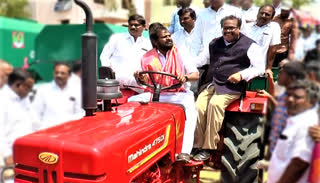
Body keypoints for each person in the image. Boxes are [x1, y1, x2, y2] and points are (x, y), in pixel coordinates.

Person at [193, 15, 265, 161]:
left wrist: (242, 74)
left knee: (215, 104)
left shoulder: (250, 45)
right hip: (211, 83)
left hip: (231, 87)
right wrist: (183, 64)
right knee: (198, 106)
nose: (228, 31)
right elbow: (201, 60)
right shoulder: (214, 43)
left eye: (232, 28)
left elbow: (260, 68)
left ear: (239, 28)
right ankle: (197, 145)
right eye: (225, 28)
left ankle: (209, 148)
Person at [130, 24, 199, 161]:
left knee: (191, 111)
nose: (169, 39)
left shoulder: (181, 53)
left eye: (169, 36)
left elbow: (195, 74)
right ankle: (135, 146)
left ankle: (185, 151)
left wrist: (185, 77)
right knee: (129, 102)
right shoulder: (146, 57)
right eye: (164, 37)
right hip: (156, 94)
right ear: (155, 42)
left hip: (178, 95)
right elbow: (142, 81)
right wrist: (139, 77)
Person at [266, 79, 319, 183]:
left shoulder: (307, 124)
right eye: (288, 95)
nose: (290, 99)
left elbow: (299, 164)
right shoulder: (296, 120)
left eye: (297, 97)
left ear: (312, 101)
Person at [100, 14, 152, 89]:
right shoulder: (117, 38)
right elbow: (104, 55)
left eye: (136, 25)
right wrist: (108, 72)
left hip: (137, 85)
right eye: (130, 25)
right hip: (116, 82)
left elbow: (149, 64)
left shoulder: (148, 44)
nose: (133, 27)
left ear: (144, 27)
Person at [32, 62, 84, 129]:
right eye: (56, 72)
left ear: (69, 75)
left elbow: (79, 113)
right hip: (47, 131)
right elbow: (35, 113)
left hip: (69, 131)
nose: (59, 75)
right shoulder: (43, 90)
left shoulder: (76, 91)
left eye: (62, 73)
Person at [246, 4, 281, 96]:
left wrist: (268, 68)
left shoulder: (274, 27)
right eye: (262, 13)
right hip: (242, 66)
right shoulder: (247, 27)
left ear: (272, 17)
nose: (263, 16)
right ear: (258, 13)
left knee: (255, 96)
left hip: (258, 68)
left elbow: (273, 49)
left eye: (267, 14)